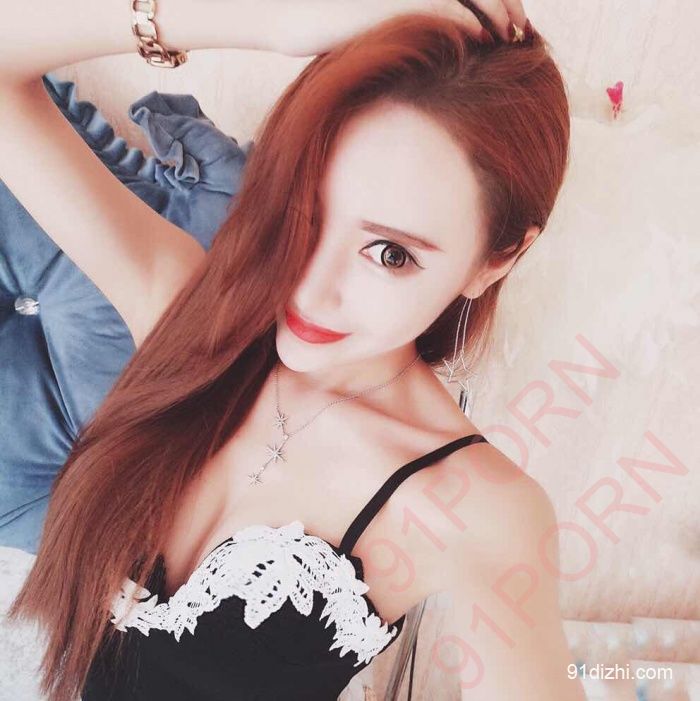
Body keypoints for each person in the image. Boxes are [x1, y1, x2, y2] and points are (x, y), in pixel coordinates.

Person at [1, 1, 586, 700]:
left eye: (389, 253)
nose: (308, 283)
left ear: (496, 259)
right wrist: (273, 19)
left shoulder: (475, 506)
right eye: (301, 210)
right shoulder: (185, 317)